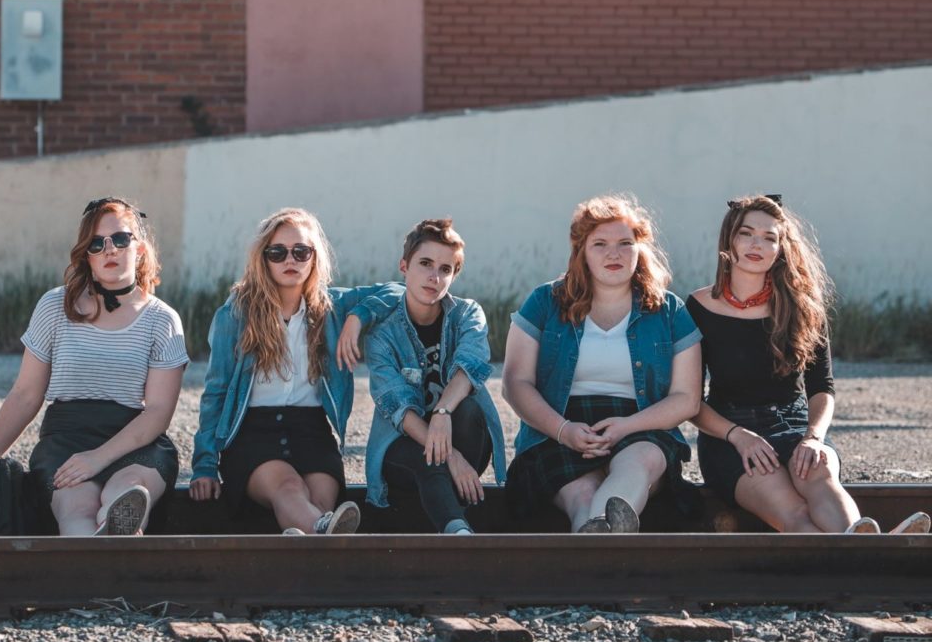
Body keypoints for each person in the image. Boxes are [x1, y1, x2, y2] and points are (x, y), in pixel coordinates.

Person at [689, 194, 930, 534]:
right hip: (731, 437)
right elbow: (689, 402)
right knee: (795, 513)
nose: (757, 244)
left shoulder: (802, 306)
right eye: (747, 233)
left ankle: (869, 550)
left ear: (781, 248)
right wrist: (739, 437)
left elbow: (823, 388)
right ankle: (879, 555)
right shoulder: (698, 307)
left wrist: (814, 437)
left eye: (770, 237)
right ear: (729, 240)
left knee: (821, 476)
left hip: (797, 425)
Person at [0, 196, 188, 536]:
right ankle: (94, 560)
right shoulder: (55, 306)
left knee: (130, 491)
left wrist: (99, 457)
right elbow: (26, 395)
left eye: (120, 239)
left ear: (140, 248)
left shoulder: (162, 320)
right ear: (86, 254)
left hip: (135, 439)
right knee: (77, 509)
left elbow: (158, 412)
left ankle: (117, 528)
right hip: (66, 438)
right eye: (96, 244)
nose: (109, 250)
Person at [190, 208, 402, 535]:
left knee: (320, 498)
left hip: (312, 431)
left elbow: (397, 292)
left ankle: (307, 539)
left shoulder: (332, 307)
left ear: (314, 258)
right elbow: (215, 392)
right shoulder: (235, 314)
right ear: (263, 258)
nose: (291, 260)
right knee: (289, 488)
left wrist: (356, 317)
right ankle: (324, 538)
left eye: (301, 252)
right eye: (278, 252)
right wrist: (204, 464)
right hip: (252, 431)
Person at [502, 194, 702, 533]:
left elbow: (687, 397)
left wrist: (626, 426)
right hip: (557, 428)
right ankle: (602, 542)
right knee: (582, 493)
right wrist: (564, 431)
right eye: (600, 244)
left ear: (640, 249)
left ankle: (596, 534)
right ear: (581, 251)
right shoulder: (544, 302)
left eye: (626, 243)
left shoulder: (669, 310)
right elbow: (514, 383)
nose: (614, 253)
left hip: (640, 427)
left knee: (641, 462)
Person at [363, 219, 506, 534]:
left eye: (445, 269)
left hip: (464, 436)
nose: (434, 276)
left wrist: (442, 412)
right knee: (427, 459)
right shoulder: (382, 336)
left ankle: (448, 520)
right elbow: (397, 406)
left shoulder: (468, 315)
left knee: (467, 410)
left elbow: (471, 365)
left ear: (454, 276)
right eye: (425, 264)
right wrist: (450, 454)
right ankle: (458, 532)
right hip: (403, 445)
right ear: (404, 266)